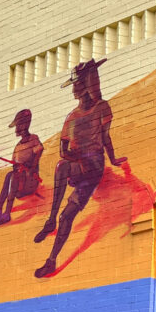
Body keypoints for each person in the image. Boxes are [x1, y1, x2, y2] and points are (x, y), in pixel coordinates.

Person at [33, 59, 127, 279]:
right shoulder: (72, 117)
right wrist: (74, 157)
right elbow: (62, 149)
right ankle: (50, 226)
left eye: (77, 84)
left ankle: (51, 242)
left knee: (64, 184)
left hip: (93, 166)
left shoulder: (102, 108)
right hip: (77, 166)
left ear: (87, 85)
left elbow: (105, 138)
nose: (74, 89)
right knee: (62, 174)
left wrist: (112, 159)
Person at [0, 108, 43, 227]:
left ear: (25, 124)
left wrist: (29, 167)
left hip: (30, 181)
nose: (16, 129)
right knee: (9, 175)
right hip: (19, 183)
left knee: (14, 176)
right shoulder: (18, 146)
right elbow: (15, 165)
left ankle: (7, 213)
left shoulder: (33, 139)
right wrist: (17, 167)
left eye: (18, 125)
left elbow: (38, 152)